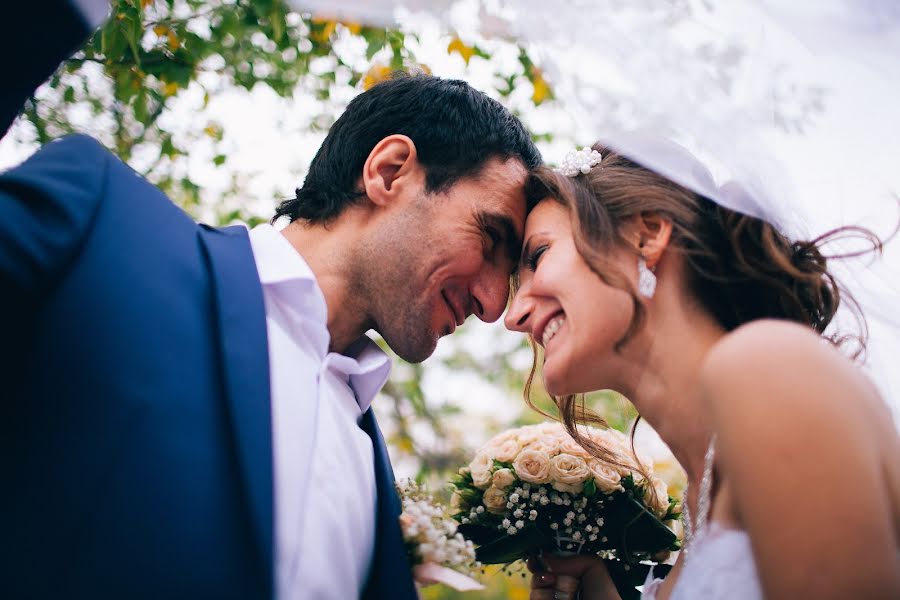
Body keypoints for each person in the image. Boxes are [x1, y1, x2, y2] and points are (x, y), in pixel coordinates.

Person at [1, 30, 541, 595]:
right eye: (490, 236)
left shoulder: (371, 466)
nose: (492, 305)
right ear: (389, 171)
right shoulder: (100, 227)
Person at [505, 144, 900, 599]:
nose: (514, 314)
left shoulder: (769, 365)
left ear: (646, 235)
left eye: (538, 257)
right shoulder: (698, 505)